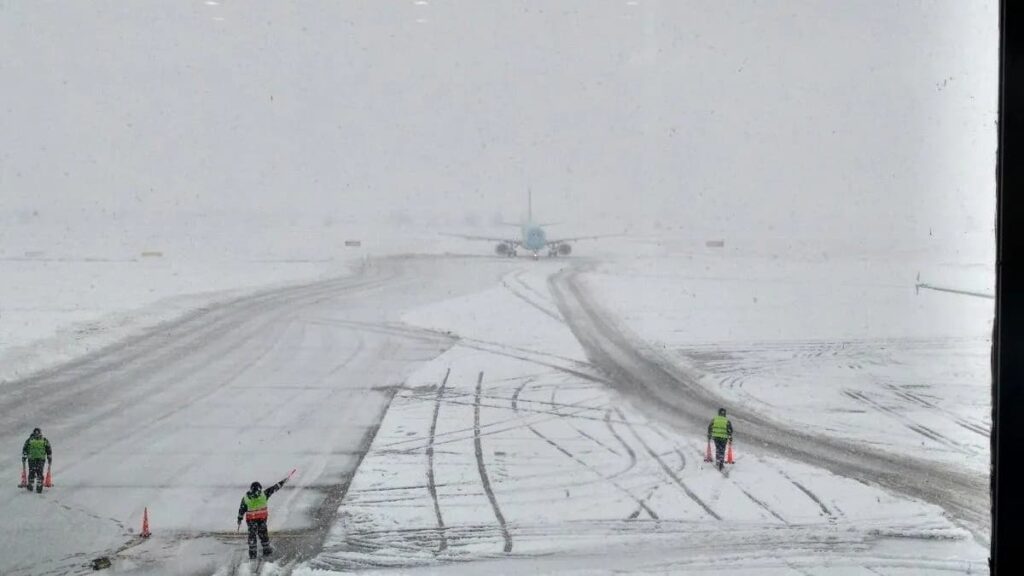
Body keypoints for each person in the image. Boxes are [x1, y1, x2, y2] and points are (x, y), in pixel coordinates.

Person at [237, 475, 289, 559]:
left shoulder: (246, 498)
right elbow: (274, 488)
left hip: (251, 521)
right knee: (263, 535)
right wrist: (283, 482)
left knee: (252, 536)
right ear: (259, 489)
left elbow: (241, 509)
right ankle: (267, 551)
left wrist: (239, 518)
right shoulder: (263, 495)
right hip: (261, 519)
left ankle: (253, 554)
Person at [22, 427, 52, 493]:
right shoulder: (43, 440)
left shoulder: (31, 440)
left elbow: (25, 448)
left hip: (35, 458)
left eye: (37, 433)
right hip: (37, 458)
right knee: (37, 471)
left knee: (35, 471)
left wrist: (24, 456)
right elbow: (48, 449)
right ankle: (36, 484)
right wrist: (49, 456)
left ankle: (34, 484)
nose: (37, 434)